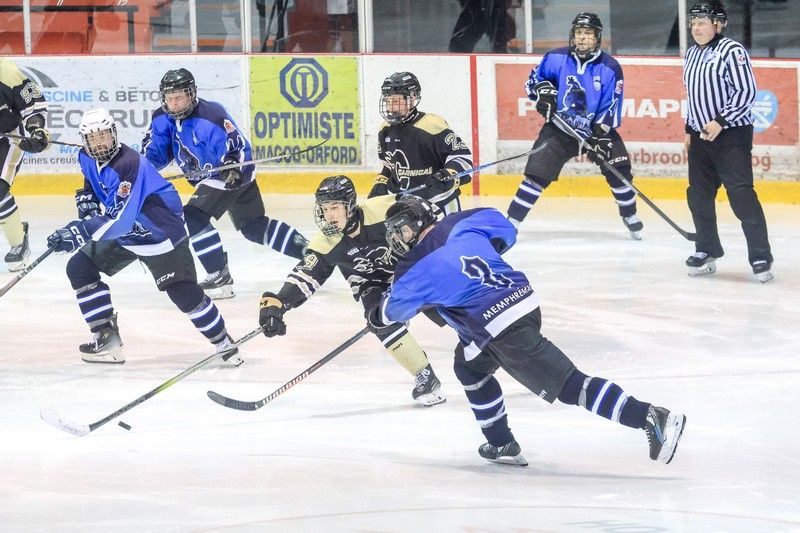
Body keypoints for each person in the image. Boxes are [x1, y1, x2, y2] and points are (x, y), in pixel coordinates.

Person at [368, 195, 686, 466]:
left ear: (413, 226)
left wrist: (375, 311)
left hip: (500, 327)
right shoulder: (461, 221)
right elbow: (505, 230)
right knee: (469, 366)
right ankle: (501, 443)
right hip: (523, 301)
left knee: (571, 386)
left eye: (400, 230)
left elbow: (391, 313)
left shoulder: (413, 267)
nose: (398, 239)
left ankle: (650, 416)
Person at [47, 108, 241, 366]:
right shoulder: (85, 156)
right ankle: (107, 339)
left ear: (114, 133)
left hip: (160, 232)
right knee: (80, 267)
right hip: (128, 233)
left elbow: (121, 220)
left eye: (104, 136)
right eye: (93, 139)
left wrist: (80, 230)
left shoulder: (129, 163)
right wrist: (87, 198)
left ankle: (224, 343)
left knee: (184, 294)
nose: (100, 143)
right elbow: (92, 181)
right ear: (85, 141)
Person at [257, 175, 446, 406]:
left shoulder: (382, 209)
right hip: (370, 283)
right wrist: (278, 302)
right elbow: (305, 275)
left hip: (410, 270)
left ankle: (480, 343)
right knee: (378, 318)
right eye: (325, 209)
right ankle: (424, 374)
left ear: (349, 205)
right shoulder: (327, 242)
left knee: (447, 308)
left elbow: (428, 216)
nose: (329, 215)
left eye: (334, 208)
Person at [142, 68, 308, 300]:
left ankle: (219, 274)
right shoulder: (161, 118)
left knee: (193, 216)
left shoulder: (211, 114)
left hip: (229, 174)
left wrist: (231, 164)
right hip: (211, 180)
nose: (174, 103)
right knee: (253, 227)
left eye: (179, 97)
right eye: (170, 98)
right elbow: (155, 154)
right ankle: (308, 251)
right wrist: (140, 170)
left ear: (191, 94)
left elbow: (236, 146)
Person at [507, 13, 644, 240]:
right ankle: (511, 222)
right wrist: (543, 93)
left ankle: (630, 215)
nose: (582, 38)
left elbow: (611, 105)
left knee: (620, 174)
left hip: (595, 132)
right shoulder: (556, 58)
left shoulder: (610, 67)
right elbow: (533, 80)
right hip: (560, 129)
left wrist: (600, 135)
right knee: (536, 175)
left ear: (597, 37)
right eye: (579, 32)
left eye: (588, 33)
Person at [682, 1, 773, 282]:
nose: (696, 27)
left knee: (741, 195)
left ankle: (760, 256)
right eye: (693, 22)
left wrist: (720, 121)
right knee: (698, 195)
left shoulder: (732, 51)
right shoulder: (691, 54)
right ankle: (706, 249)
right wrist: (689, 129)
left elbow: (746, 92)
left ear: (718, 24)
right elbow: (692, 95)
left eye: (702, 22)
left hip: (731, 135)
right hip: (701, 137)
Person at [368, 71, 473, 216]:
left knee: (450, 232)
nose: (391, 108)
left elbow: (462, 158)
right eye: (388, 101)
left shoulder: (432, 125)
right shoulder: (385, 129)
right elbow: (390, 166)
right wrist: (381, 181)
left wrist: (446, 175)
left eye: (396, 102)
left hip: (438, 202)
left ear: (413, 98)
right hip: (403, 206)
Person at [0, 58, 50, 271]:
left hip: (8, 138)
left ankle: (18, 242)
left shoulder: (6, 72)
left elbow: (33, 107)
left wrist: (36, 130)